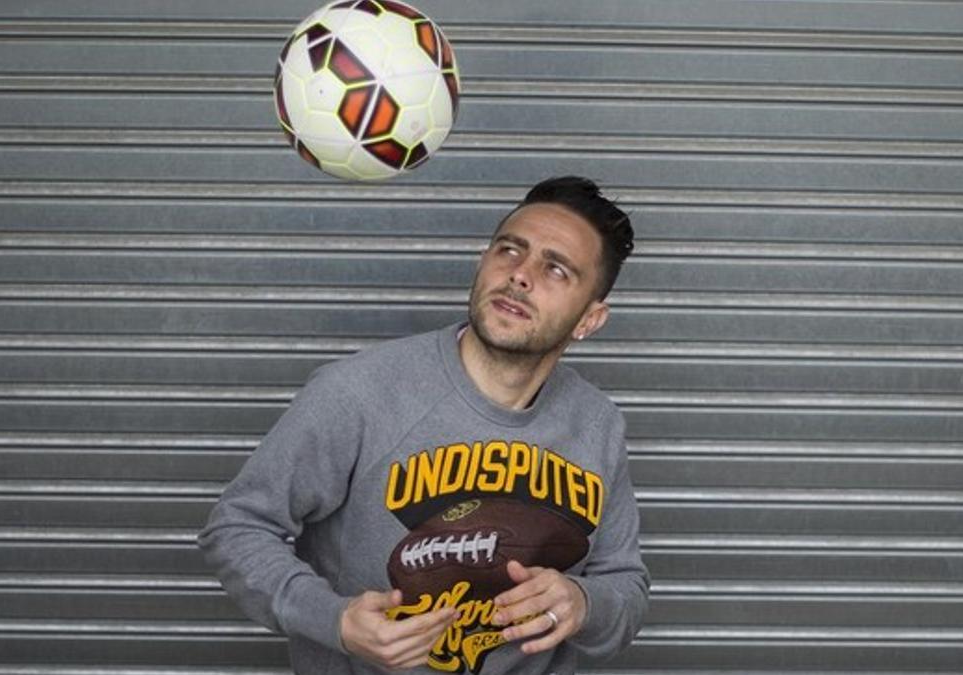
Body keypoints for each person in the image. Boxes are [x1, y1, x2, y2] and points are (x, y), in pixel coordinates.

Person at [198, 176, 650, 674]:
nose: (521, 275)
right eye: (509, 250)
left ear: (590, 319)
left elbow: (624, 584)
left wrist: (585, 604)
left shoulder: (597, 424)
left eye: (556, 270)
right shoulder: (358, 392)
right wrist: (336, 620)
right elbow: (239, 527)